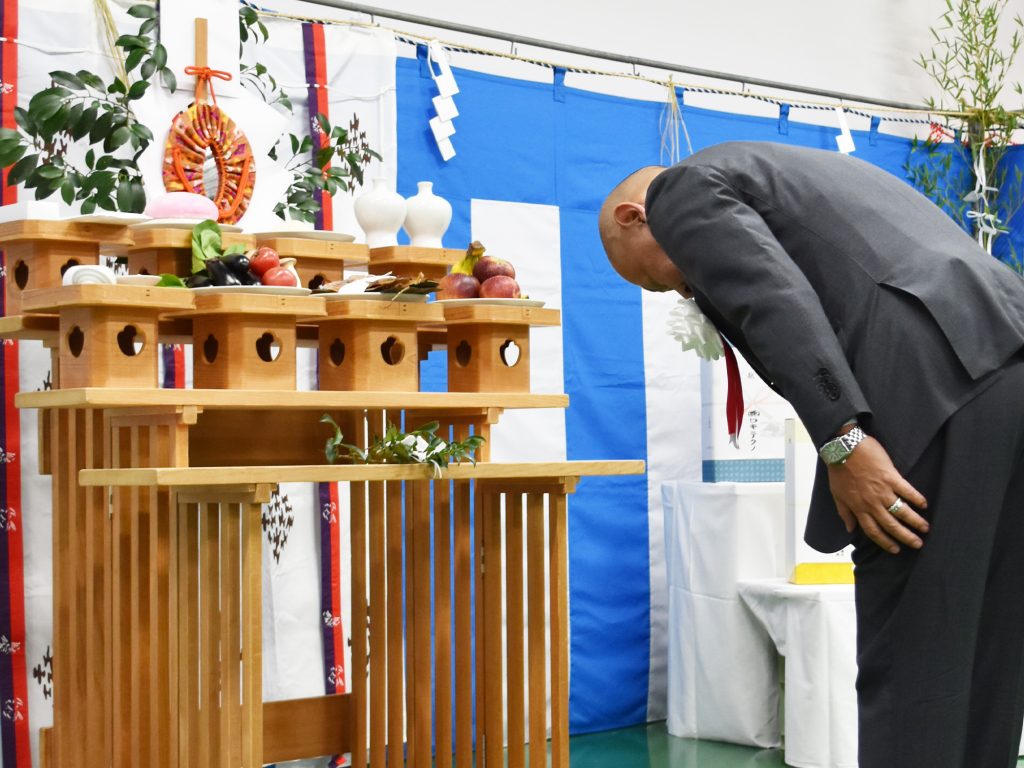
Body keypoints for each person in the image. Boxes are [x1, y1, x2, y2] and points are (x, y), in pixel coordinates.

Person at [599, 141, 1024, 768]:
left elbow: (771, 299)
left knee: (911, 654)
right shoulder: (791, 170)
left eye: (646, 277)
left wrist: (842, 439)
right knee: (991, 641)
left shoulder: (681, 191)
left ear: (635, 216)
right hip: (1003, 357)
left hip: (930, 388)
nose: (672, 290)